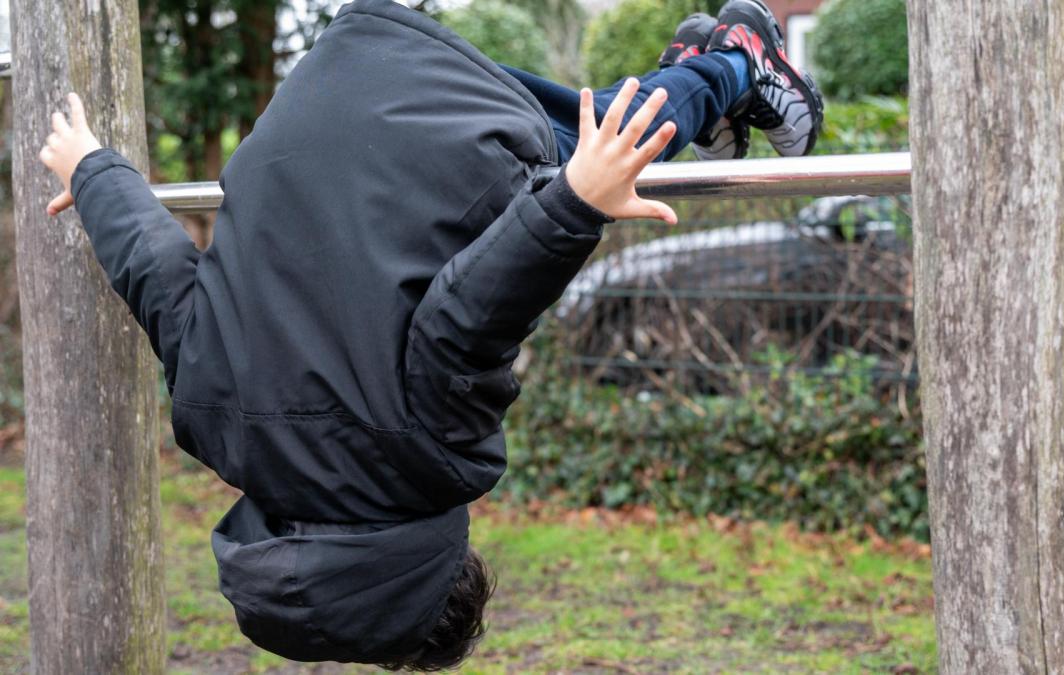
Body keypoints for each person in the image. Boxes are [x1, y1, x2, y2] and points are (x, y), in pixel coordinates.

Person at [36, 0, 821, 668]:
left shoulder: (428, 459)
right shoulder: (215, 428)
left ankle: (734, 65)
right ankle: (697, 76)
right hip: (327, 86)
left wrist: (576, 205)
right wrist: (94, 169)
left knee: (611, 148)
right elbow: (157, 272)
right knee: (581, 125)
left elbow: (465, 317)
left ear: (419, 561)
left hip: (453, 142)